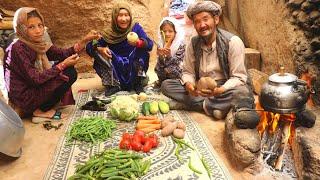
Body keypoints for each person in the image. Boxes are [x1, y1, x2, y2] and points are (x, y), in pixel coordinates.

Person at [161, 1, 259, 129]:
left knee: (243, 92)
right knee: (167, 85)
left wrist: (221, 90)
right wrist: (190, 85)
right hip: (200, 88)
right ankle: (217, 108)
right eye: (197, 21)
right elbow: (188, 72)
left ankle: (201, 106)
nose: (202, 25)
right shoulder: (193, 43)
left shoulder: (232, 42)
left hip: (224, 87)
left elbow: (238, 77)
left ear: (216, 19)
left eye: (205, 19)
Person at [3, 7, 100, 121]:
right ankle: (39, 110)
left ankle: (42, 104)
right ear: (21, 28)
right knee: (66, 72)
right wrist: (62, 65)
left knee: (68, 70)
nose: (38, 30)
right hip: (24, 97)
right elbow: (35, 79)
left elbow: (62, 54)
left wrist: (84, 40)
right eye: (31, 27)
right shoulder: (17, 48)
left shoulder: (38, 44)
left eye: (40, 25)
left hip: (34, 86)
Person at [86, 2, 153, 96]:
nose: (124, 19)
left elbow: (150, 44)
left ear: (130, 16)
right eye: (120, 15)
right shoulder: (109, 32)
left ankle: (137, 83)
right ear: (114, 17)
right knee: (97, 52)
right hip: (116, 66)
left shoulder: (136, 28)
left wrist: (139, 42)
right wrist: (101, 49)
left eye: (126, 15)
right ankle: (113, 85)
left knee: (142, 51)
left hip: (132, 65)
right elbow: (89, 46)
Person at [154, 17, 185, 88]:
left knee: (170, 69)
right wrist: (161, 56)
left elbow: (177, 63)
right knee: (158, 68)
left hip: (177, 74)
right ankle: (163, 83)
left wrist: (169, 56)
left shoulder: (181, 45)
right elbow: (160, 66)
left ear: (175, 32)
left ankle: (170, 85)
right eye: (164, 31)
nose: (167, 34)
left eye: (170, 31)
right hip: (164, 74)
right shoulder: (161, 44)